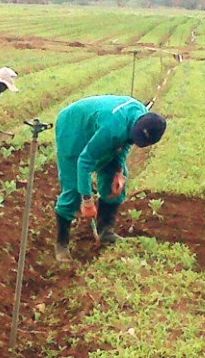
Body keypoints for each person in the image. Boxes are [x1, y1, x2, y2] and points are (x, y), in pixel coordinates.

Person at [53, 95, 167, 262]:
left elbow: (125, 144)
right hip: (73, 127)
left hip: (103, 127)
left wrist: (119, 171)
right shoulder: (113, 127)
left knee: (115, 177)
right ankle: (61, 243)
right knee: (73, 186)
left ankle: (106, 231)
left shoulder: (144, 119)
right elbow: (84, 161)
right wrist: (87, 201)